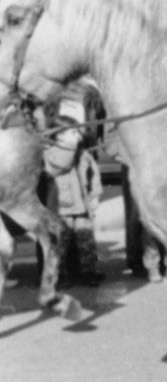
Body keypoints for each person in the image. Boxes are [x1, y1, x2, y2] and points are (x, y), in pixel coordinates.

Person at [41, 89, 103, 287]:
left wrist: (96, 194)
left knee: (86, 243)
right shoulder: (53, 153)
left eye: (78, 132)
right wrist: (71, 147)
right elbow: (63, 164)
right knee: (59, 245)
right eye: (73, 133)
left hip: (81, 206)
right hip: (61, 209)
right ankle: (57, 278)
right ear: (59, 136)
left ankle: (88, 272)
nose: (78, 137)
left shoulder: (81, 153)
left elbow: (93, 173)